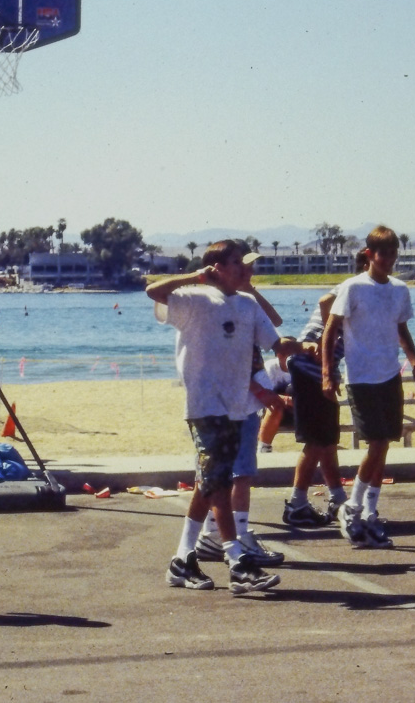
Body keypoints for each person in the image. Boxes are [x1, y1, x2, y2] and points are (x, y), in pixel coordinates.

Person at [147, 240, 312, 594]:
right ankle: (238, 562)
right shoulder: (194, 299)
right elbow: (153, 291)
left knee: (209, 482)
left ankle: (182, 560)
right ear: (216, 268)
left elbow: (275, 343)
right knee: (219, 481)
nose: (243, 268)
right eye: (235, 262)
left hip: (238, 404)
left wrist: (300, 347)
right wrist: (195, 276)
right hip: (205, 404)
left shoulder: (249, 304)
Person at [321, 226, 415, 548]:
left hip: (389, 376)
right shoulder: (353, 288)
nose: (389, 260)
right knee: (377, 443)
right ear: (370, 254)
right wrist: (328, 373)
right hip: (362, 378)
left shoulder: (399, 289)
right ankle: (351, 508)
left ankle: (369, 514)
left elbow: (402, 330)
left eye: (394, 253)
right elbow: (330, 331)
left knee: (384, 446)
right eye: (383, 253)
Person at [195, 249, 289, 568]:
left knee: (224, 473)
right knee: (241, 472)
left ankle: (211, 536)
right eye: (241, 265)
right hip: (241, 392)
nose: (248, 270)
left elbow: (274, 323)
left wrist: (248, 288)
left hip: (236, 392)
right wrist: (261, 391)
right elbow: (233, 359)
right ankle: (239, 534)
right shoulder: (227, 308)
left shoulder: (244, 303)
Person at [281, 249, 367, 527]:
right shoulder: (355, 287)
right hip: (310, 368)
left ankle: (337, 498)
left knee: (328, 439)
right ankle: (296, 503)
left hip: (320, 371)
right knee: (317, 440)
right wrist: (330, 338)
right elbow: (325, 300)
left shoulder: (363, 291)